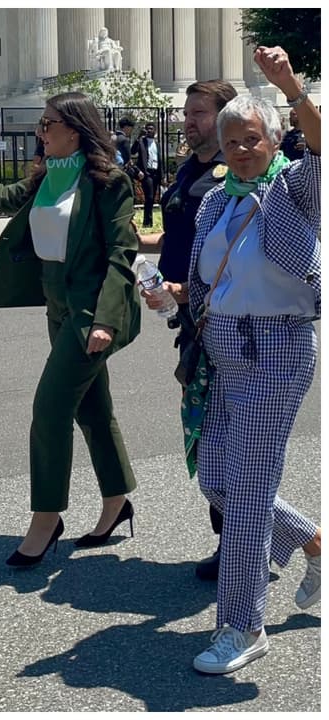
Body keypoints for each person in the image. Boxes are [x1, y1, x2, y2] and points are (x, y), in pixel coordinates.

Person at [185, 46, 321, 674]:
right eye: (231, 140)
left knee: (244, 498)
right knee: (215, 476)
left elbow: (318, 143)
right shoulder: (216, 202)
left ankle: (242, 625)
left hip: (280, 347)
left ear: (273, 141)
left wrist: (289, 86)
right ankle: (310, 540)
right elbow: (210, 281)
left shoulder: (296, 188)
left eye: (252, 138)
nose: (241, 149)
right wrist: (172, 296)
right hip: (224, 350)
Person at [0, 92, 141, 566]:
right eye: (41, 125)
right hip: (55, 303)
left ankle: (46, 518)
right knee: (92, 408)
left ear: (75, 129)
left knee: (49, 408)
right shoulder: (49, 175)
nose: (40, 133)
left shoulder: (110, 183)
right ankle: (117, 500)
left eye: (48, 125)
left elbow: (120, 255)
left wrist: (107, 320)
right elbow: (9, 200)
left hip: (91, 310)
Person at [141, 79, 235, 581]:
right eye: (186, 111)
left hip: (222, 323)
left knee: (223, 440)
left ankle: (256, 540)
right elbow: (178, 234)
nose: (188, 120)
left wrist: (182, 290)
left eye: (199, 112)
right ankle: (237, 539)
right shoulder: (189, 170)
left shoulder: (232, 177)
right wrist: (143, 239)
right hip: (191, 324)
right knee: (207, 438)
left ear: (225, 116)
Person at [130, 121, 162, 227]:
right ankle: (146, 222)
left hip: (155, 173)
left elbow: (159, 159)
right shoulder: (141, 141)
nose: (149, 130)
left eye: (151, 128)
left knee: (152, 198)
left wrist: (162, 176)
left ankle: (150, 221)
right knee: (148, 197)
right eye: (148, 128)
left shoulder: (157, 143)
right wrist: (138, 137)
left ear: (155, 131)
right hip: (146, 173)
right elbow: (133, 151)